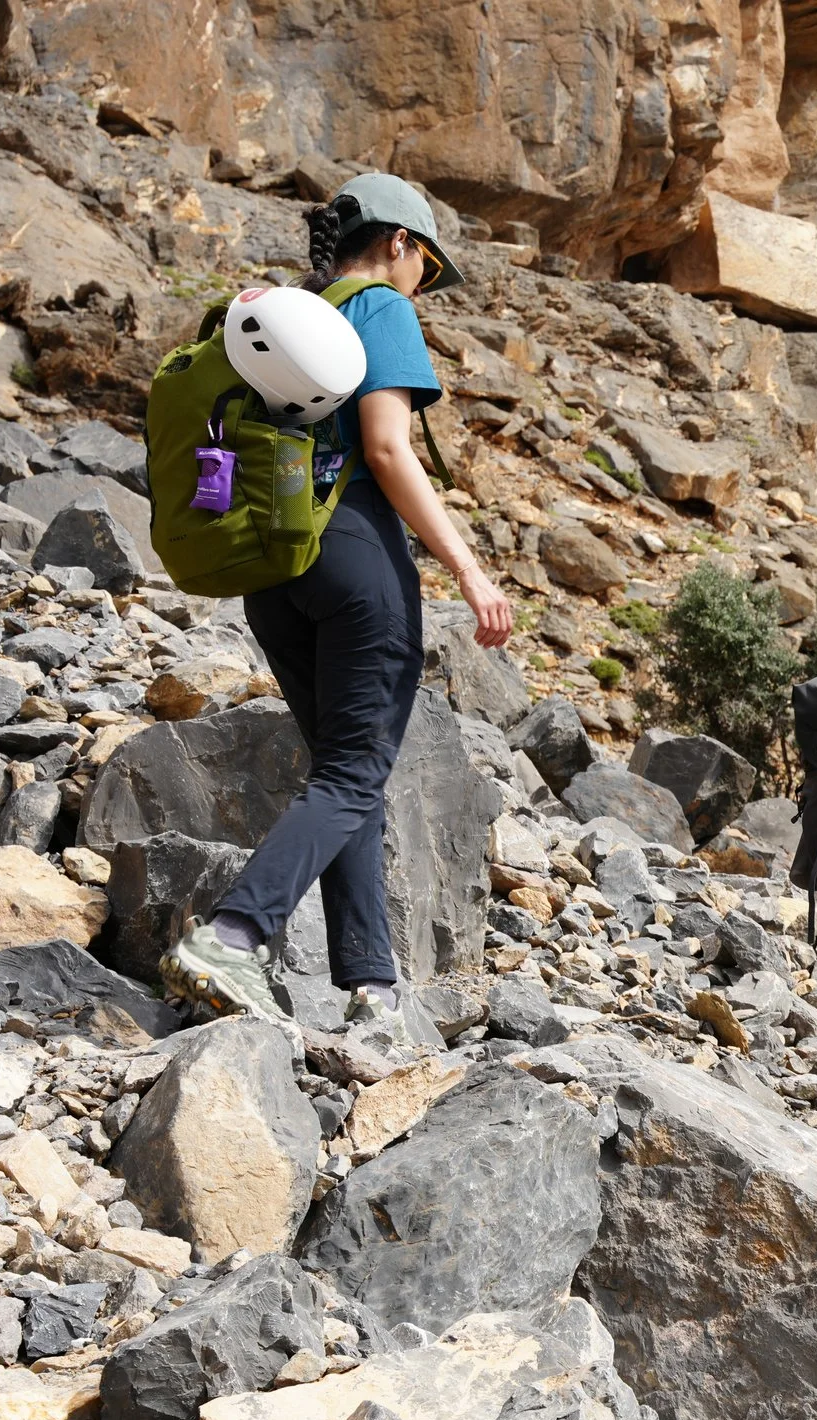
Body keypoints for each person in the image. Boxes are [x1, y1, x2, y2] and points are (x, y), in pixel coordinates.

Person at [161, 175, 512, 1041]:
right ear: (399, 243)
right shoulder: (379, 307)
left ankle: (372, 988)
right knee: (354, 774)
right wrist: (470, 569)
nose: (424, 280)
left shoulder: (282, 321)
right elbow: (388, 448)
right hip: (356, 554)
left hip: (273, 570)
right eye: (427, 262)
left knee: (347, 778)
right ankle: (235, 933)